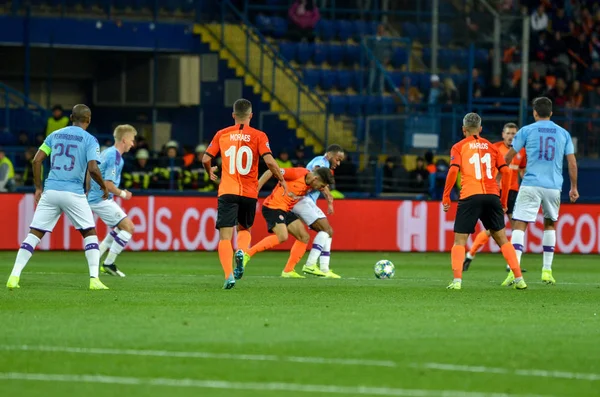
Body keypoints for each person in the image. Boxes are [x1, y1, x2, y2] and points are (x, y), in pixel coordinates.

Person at [6, 104, 110, 290]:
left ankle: (14, 276)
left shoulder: (54, 135)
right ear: (89, 119)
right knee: (89, 233)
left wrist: (38, 187)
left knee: (34, 234)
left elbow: (36, 160)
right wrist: (103, 186)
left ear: (71, 117)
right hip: (73, 193)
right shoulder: (90, 139)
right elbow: (93, 168)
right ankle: (94, 279)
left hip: (51, 191)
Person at [202, 98, 287, 290]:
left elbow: (206, 158)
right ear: (251, 115)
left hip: (227, 191)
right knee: (244, 230)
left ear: (233, 115)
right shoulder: (259, 135)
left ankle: (228, 276)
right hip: (249, 193)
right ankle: (241, 251)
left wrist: (209, 171)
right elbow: (271, 162)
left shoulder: (222, 134)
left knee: (225, 237)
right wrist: (280, 179)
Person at [442, 112, 526, 290]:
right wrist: (503, 201)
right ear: (480, 129)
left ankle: (457, 281)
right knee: (503, 239)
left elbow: (452, 171)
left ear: (463, 129)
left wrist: (446, 195)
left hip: (470, 196)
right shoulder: (491, 146)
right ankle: (519, 279)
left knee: (460, 240)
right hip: (492, 196)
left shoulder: (458, 147)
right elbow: (507, 172)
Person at [503, 97, 579, 286]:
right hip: (553, 187)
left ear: (535, 112)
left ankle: (514, 272)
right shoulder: (564, 133)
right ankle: (547, 271)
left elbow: (509, 156)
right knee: (550, 225)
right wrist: (574, 188)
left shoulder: (526, 130)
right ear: (551, 112)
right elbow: (572, 163)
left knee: (519, 224)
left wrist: (497, 174)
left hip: (530, 183)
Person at [236, 167, 334, 279]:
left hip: (286, 209)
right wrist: (256, 189)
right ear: (315, 179)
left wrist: (329, 198)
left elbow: (321, 186)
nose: (321, 189)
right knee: (282, 236)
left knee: (304, 237)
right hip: (273, 207)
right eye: (321, 186)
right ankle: (247, 255)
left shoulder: (312, 182)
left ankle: (288, 271)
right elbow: (270, 171)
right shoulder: (296, 173)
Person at [463, 122, 527, 272]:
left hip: (513, 192)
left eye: (514, 134)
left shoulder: (522, 152)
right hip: (496, 192)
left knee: (516, 228)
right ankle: (470, 255)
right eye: (508, 133)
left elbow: (523, 172)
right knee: (493, 229)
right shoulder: (494, 148)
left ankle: (511, 264)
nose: (511, 136)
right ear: (503, 135)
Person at [88, 125, 137, 278]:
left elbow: (91, 173)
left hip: (98, 197)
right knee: (129, 227)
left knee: (120, 228)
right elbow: (108, 184)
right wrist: (123, 194)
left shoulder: (106, 153)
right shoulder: (114, 156)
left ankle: (100, 254)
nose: (132, 144)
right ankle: (108, 263)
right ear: (124, 139)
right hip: (100, 199)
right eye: (132, 140)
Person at [291, 144, 345, 278]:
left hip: (305, 201)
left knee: (329, 232)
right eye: (337, 159)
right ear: (330, 155)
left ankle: (325, 269)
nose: (338, 163)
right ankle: (310, 265)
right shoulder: (322, 162)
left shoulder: (320, 160)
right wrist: (329, 197)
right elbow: (317, 172)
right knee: (325, 230)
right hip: (303, 199)